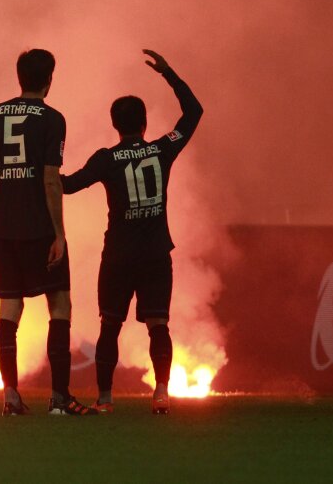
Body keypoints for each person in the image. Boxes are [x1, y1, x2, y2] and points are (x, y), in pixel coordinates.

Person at [60, 50, 202, 415]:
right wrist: (169, 73)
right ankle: (162, 393)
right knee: (158, 325)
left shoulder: (106, 158)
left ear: (115, 125)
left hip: (119, 256)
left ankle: (105, 399)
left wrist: (39, 171)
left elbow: (69, 186)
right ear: (144, 122)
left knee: (110, 326)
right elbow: (194, 113)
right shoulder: (161, 149)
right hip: (156, 254)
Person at [0, 49, 97, 416]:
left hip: (1, 230)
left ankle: (10, 396)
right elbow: (49, 178)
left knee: (9, 308)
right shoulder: (53, 119)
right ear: (50, 79)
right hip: (39, 229)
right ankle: (59, 399)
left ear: (19, 76)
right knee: (59, 305)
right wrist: (58, 233)